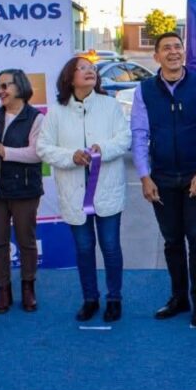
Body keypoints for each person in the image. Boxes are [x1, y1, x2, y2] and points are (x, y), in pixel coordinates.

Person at [130, 31, 196, 327]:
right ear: (156, 56)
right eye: (166, 48)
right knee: (172, 241)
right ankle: (179, 298)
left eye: (177, 47)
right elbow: (139, 135)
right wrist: (144, 176)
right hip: (162, 178)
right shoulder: (144, 90)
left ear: (184, 52)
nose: (173, 52)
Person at [38, 56, 131, 322]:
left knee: (110, 246)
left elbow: (124, 138)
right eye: (82, 68)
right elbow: (44, 148)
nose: (90, 71)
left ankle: (114, 299)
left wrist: (104, 149)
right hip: (74, 192)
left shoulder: (110, 105)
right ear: (69, 78)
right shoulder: (56, 111)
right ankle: (90, 298)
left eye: (92, 68)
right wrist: (71, 156)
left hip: (107, 189)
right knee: (84, 248)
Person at [0, 69, 44, 314]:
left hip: (25, 190)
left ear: (20, 86)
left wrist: (3, 151)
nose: (0, 91)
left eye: (5, 85)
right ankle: (3, 289)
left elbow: (37, 153)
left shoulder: (36, 118)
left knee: (26, 240)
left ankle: (28, 287)